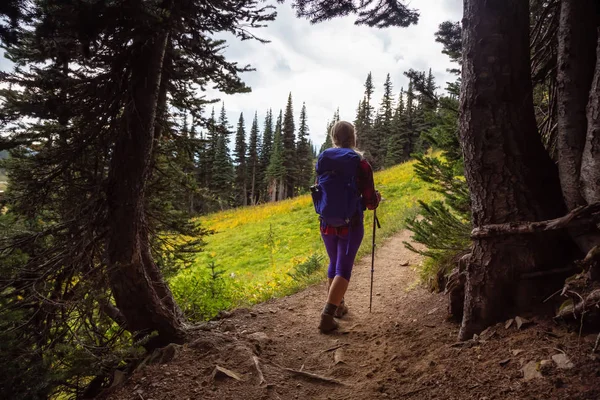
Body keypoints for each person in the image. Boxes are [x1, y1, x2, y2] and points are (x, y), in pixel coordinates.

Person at [314, 121, 380, 333]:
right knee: (344, 267)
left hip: (326, 223)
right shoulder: (361, 164)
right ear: (354, 137)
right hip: (351, 223)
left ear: (333, 138)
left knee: (334, 261)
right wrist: (375, 200)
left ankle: (339, 306)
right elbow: (370, 202)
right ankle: (327, 315)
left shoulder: (324, 159)